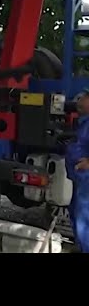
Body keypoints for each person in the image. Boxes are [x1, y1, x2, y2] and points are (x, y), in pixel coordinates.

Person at [65, 89, 89, 253]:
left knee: (84, 218)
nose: (79, 102)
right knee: (75, 214)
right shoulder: (83, 122)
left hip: (87, 181)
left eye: (85, 98)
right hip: (79, 179)